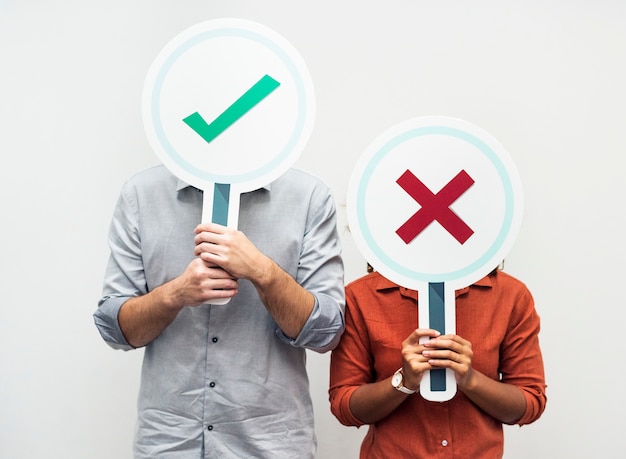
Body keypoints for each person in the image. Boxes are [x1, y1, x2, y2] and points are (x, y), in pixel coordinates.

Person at [94, 164, 345, 458]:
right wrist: (174, 294)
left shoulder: (308, 197)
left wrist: (263, 272)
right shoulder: (141, 193)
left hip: (270, 444)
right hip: (169, 443)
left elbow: (325, 333)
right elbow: (115, 330)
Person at [329, 265, 546, 458]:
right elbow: (344, 406)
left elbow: (530, 401)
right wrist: (403, 382)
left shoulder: (510, 295)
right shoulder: (360, 297)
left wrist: (471, 380)